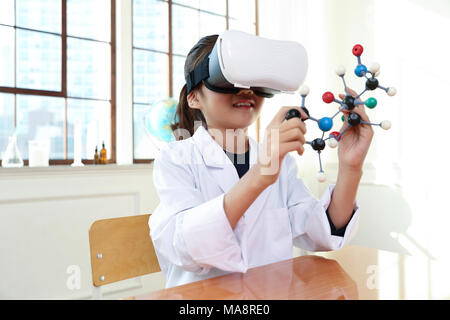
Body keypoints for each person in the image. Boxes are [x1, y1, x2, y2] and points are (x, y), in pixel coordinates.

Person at [149, 34, 374, 288]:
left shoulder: (281, 162)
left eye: (256, 82)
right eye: (227, 79)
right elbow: (187, 247)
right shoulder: (176, 159)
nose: (246, 91)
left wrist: (351, 167)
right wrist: (261, 174)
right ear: (194, 97)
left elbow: (322, 231)